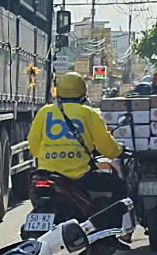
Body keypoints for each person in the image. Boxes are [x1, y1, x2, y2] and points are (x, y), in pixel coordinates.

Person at [28, 72, 128, 212]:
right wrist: (120, 150)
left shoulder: (44, 112)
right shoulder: (89, 114)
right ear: (83, 93)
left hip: (47, 174)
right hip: (79, 177)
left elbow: (33, 146)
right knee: (120, 186)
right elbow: (108, 149)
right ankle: (111, 229)